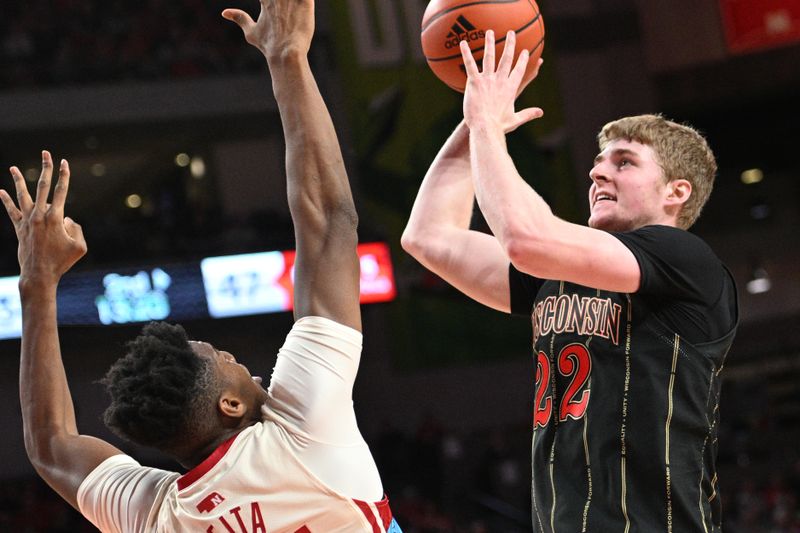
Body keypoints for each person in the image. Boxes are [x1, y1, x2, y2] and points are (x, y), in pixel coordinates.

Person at [0, 1, 402, 532]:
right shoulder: (302, 429)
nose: (245, 362)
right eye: (227, 357)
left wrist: (37, 286)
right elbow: (330, 221)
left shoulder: (159, 516)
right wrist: (287, 58)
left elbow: (52, 447)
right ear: (230, 405)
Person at [402, 30, 737, 532]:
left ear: (676, 192)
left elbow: (523, 238)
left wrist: (490, 129)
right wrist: (474, 123)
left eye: (624, 162)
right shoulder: (555, 275)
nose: (599, 173)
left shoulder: (684, 259)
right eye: (599, 162)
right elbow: (428, 236)